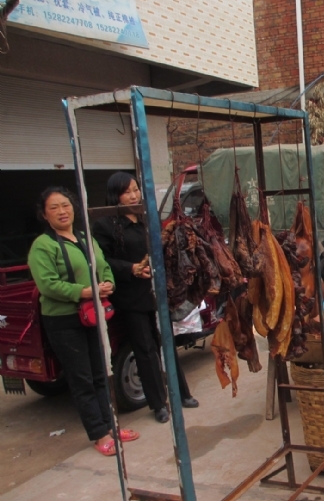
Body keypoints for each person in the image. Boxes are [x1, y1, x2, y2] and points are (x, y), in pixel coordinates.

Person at [27, 187, 140, 456]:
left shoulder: (82, 237)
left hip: (93, 314)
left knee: (102, 372)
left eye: (65, 205)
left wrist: (108, 283)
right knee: (82, 378)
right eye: (54, 208)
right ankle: (99, 434)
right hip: (64, 320)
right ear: (45, 214)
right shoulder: (43, 245)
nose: (62, 212)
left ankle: (111, 425)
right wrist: (85, 291)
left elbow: (102, 265)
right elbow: (48, 285)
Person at [93, 172, 198, 424]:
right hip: (131, 295)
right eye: (127, 191)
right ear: (115, 195)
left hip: (156, 292)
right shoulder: (105, 225)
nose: (134, 194)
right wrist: (130, 268)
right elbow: (102, 261)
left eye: (136, 189)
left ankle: (181, 394)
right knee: (145, 349)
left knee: (167, 344)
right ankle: (158, 404)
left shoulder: (145, 218)